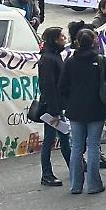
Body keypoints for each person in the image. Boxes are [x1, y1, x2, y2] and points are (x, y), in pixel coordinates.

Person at [59, 27, 106, 195]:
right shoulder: (100, 60)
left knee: (76, 146)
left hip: (75, 109)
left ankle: (76, 185)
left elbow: (62, 86)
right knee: (93, 146)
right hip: (96, 108)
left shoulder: (70, 61)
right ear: (93, 42)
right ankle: (93, 184)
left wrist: (72, 98)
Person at [35, 27, 72, 186]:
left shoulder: (54, 55)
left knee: (64, 137)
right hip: (51, 109)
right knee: (50, 140)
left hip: (57, 107)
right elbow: (48, 86)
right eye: (61, 36)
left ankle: (74, 167)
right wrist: (54, 111)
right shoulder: (48, 59)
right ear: (54, 39)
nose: (64, 39)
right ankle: (46, 174)